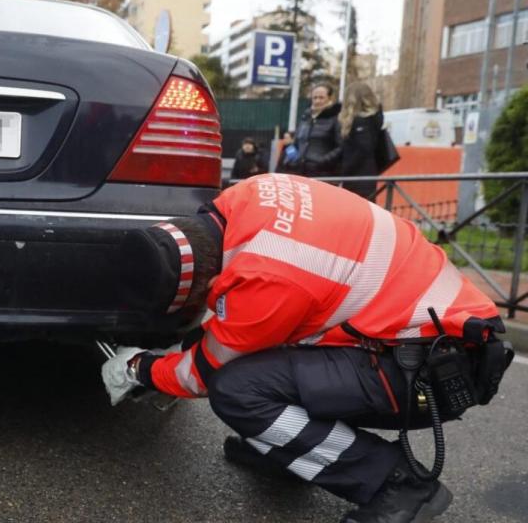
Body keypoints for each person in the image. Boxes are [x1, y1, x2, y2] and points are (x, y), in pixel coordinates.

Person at [103, 173, 511, 523]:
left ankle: (398, 483)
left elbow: (201, 376)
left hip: (433, 367)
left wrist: (140, 368)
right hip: (433, 332)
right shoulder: (245, 195)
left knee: (238, 389)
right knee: (261, 360)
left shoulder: (266, 278)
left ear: (205, 285)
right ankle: (292, 451)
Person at [334, 82, 386, 199]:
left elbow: (362, 149)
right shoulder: (375, 119)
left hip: (356, 175)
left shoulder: (360, 122)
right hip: (368, 173)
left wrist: (344, 171)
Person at [280, 84, 342, 177]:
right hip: (300, 171)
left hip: (323, 174)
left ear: (330, 99)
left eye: (321, 98)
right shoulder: (305, 119)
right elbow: (296, 143)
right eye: (315, 98)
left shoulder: (336, 119)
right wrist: (291, 159)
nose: (317, 101)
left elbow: (341, 147)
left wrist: (322, 161)